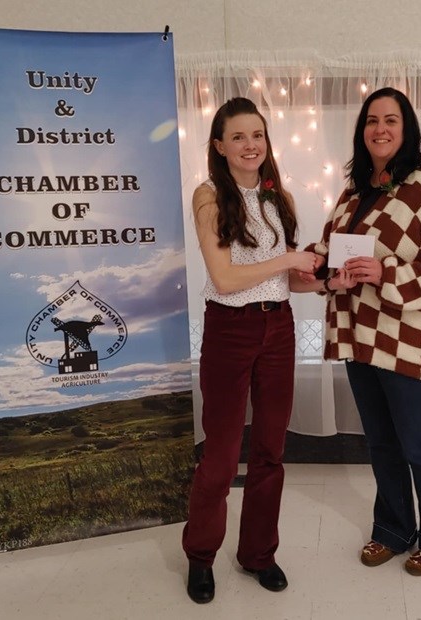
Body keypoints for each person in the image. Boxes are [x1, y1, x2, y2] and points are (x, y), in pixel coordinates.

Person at [304, 87, 421, 576]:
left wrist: (388, 273)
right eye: (372, 120)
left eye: (391, 120)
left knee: (419, 442)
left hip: (410, 340)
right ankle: (394, 529)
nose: (380, 129)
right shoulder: (353, 192)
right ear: (362, 130)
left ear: (407, 129)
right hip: (360, 337)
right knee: (381, 442)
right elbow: (329, 252)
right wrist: (308, 267)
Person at [182, 97, 319, 604]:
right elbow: (225, 277)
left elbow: (283, 282)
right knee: (219, 456)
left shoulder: (276, 198)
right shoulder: (209, 196)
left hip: (277, 329)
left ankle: (258, 554)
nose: (249, 145)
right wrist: (287, 257)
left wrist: (325, 283)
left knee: (270, 449)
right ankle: (200, 556)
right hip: (229, 332)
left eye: (256, 135)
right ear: (219, 145)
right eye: (237, 136)